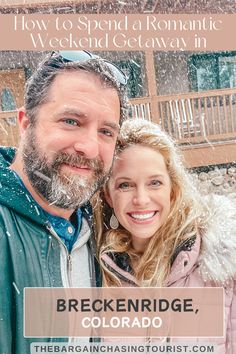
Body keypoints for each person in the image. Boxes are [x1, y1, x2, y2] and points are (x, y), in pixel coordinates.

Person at [0, 50, 128, 353]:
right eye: (71, 121)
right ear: (25, 123)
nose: (89, 146)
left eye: (106, 131)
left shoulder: (100, 232)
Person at [96, 118, 236, 351]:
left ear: (173, 189)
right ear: (108, 196)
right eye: (125, 185)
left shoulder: (219, 267)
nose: (141, 199)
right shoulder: (96, 269)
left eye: (155, 183)